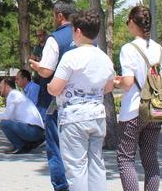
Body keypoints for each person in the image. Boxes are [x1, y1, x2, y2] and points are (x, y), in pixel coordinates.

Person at [47, 10, 116, 191]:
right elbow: (109, 87)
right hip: (97, 116)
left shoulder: (71, 56)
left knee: (76, 168)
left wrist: (49, 87)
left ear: (77, 31)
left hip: (74, 118)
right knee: (96, 164)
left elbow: (55, 88)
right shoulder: (104, 57)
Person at [113, 5, 162, 191]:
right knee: (150, 159)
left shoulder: (128, 49)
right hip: (156, 108)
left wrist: (117, 82)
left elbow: (128, 82)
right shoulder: (159, 49)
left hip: (134, 109)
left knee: (125, 159)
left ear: (132, 22)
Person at [29, 0, 79, 191]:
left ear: (59, 15)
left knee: (56, 148)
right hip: (86, 105)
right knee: (82, 152)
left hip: (58, 102)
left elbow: (47, 71)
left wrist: (36, 66)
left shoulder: (55, 38)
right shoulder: (85, 36)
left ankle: (61, 186)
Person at [0, 77, 45, 154]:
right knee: (7, 122)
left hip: (33, 131)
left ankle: (20, 146)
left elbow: (7, 117)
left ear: (7, 86)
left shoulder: (12, 95)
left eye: (1, 87)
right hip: (36, 131)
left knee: (4, 123)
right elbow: (10, 117)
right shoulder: (16, 94)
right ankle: (28, 144)